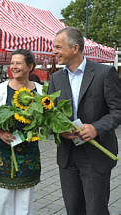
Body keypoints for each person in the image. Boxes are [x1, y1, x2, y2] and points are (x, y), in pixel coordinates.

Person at [49, 27, 121, 215]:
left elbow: (118, 111)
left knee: (96, 210)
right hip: (68, 155)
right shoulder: (56, 78)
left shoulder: (105, 73)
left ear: (75, 48)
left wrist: (96, 128)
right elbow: (49, 115)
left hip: (96, 155)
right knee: (73, 209)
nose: (54, 51)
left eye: (58, 47)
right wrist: (58, 130)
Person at [0, 49, 42, 215]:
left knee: (25, 203)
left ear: (30, 66)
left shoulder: (41, 91)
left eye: (18, 63)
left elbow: (46, 118)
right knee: (2, 200)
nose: (13, 67)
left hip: (29, 154)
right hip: (3, 153)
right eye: (12, 63)